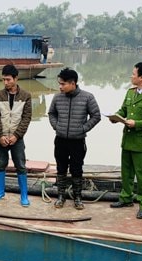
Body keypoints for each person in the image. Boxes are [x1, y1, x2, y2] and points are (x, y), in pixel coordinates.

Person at [109, 62, 142, 219]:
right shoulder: (130, 92)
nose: (131, 76)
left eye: (133, 74)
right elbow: (123, 110)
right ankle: (126, 198)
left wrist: (137, 124)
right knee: (126, 172)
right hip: (127, 139)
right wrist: (115, 117)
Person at [48, 67, 101, 210]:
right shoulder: (57, 97)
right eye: (59, 83)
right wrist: (56, 126)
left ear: (73, 83)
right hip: (60, 140)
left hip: (77, 141)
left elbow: (96, 116)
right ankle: (61, 196)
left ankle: (78, 197)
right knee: (60, 168)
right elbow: (51, 114)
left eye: (63, 84)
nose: (60, 87)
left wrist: (83, 129)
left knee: (77, 169)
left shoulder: (87, 97)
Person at [0, 65, 32, 207]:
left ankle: (24, 195)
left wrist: (17, 135)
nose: (5, 82)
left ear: (16, 79)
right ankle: (0, 192)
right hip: (1, 138)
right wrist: (0, 136)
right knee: (1, 164)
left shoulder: (26, 96)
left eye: (8, 79)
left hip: (17, 138)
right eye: (3, 80)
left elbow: (26, 118)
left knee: (20, 165)